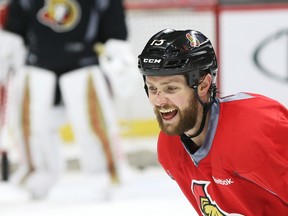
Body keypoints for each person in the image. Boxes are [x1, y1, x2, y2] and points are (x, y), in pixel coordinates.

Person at [137, 29, 288, 215]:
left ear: (203, 85)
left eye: (171, 88)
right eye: (152, 89)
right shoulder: (170, 150)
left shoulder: (253, 129)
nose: (159, 101)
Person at [2, 0, 129, 199]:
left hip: (84, 65)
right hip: (36, 66)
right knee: (32, 127)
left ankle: (104, 177)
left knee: (93, 125)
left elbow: (115, 32)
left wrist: (120, 61)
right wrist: (6, 60)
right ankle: (36, 176)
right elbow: (13, 31)